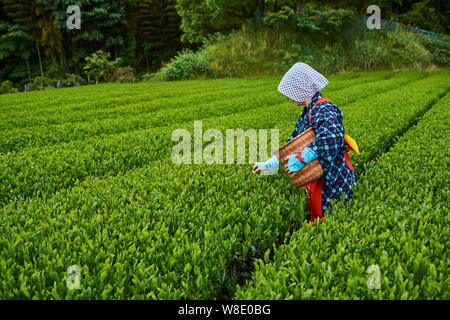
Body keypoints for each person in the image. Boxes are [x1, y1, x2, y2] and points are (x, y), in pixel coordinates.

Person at [252, 62, 357, 223]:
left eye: (291, 92)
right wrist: (272, 163)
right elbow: (294, 141)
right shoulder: (308, 111)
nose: (289, 97)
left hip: (333, 176)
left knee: (331, 218)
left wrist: (303, 158)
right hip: (320, 174)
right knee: (318, 214)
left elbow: (331, 138)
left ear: (301, 89)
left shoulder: (324, 108)